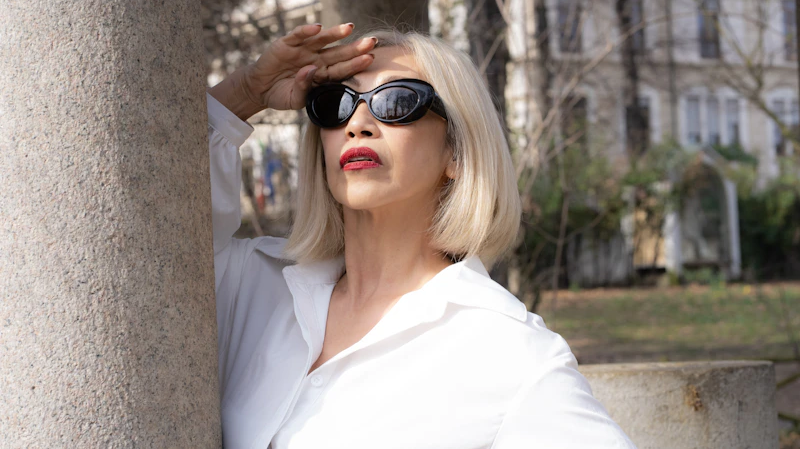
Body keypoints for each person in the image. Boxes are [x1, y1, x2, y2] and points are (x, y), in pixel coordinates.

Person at [208, 23, 635, 449]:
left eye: (396, 102)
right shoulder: (253, 282)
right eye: (335, 102)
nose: (358, 123)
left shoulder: (511, 354)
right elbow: (152, 235)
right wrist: (246, 91)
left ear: (457, 150)